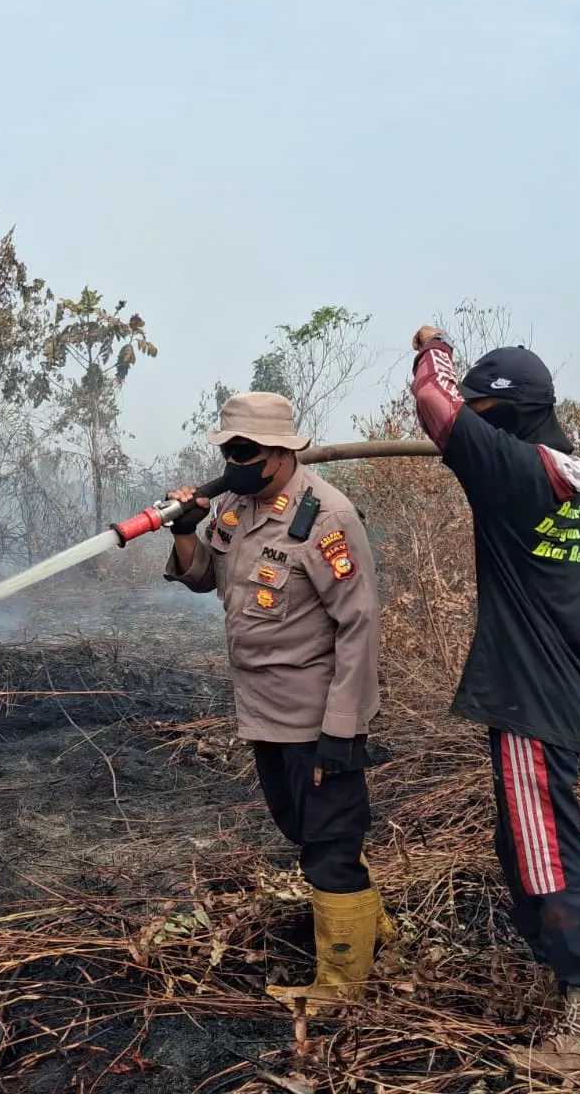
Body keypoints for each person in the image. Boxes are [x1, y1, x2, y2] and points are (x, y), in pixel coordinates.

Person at [409, 325, 580, 1077]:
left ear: (507, 413)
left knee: (546, 853)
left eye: (483, 409)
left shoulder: (521, 471)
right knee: (520, 845)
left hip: (531, 695)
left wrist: (433, 344)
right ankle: (561, 977)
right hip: (544, 687)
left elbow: (433, 403)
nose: (473, 419)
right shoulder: (564, 473)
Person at [165, 390, 386, 1009]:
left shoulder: (327, 518)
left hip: (316, 715)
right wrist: (184, 530)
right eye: (228, 451)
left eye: (246, 452)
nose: (234, 463)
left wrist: (342, 728)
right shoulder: (236, 506)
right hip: (262, 711)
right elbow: (204, 575)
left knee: (330, 843)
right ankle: (374, 939)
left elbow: (359, 625)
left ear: (283, 452)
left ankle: (341, 988)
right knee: (304, 829)